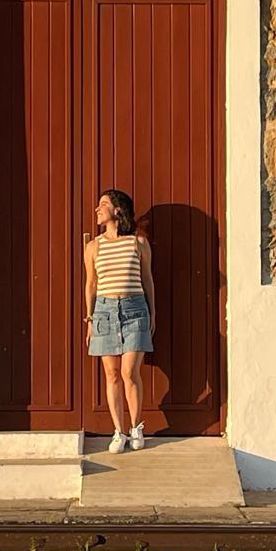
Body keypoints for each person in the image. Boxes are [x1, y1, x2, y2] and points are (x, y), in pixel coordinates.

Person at [83, 189, 156, 454]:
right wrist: (90, 318)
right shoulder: (93, 247)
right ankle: (119, 431)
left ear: (117, 210)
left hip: (135, 308)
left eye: (103, 204)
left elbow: (147, 279)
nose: (97, 209)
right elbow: (91, 284)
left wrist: (153, 312)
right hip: (104, 312)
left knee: (129, 372)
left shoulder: (138, 242)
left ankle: (136, 427)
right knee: (112, 374)